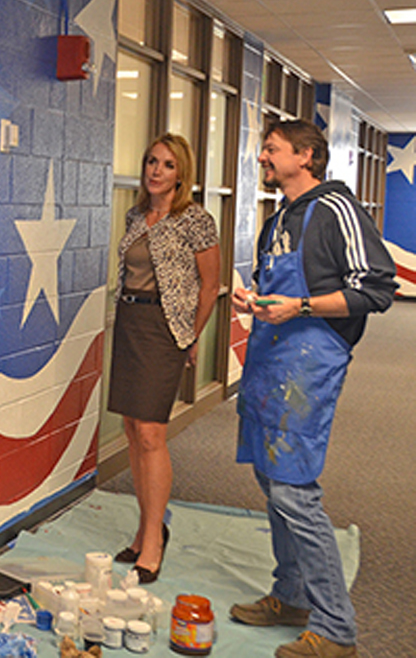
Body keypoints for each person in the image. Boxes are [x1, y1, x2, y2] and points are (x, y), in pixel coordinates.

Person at [230, 119, 396, 658]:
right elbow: (275, 287)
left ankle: (336, 629)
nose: (262, 158)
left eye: (272, 149)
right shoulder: (279, 218)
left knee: (293, 490)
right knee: (270, 477)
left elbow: (374, 287)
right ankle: (292, 595)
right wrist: (254, 299)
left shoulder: (336, 209)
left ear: (305, 155)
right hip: (269, 359)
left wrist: (299, 307)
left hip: (309, 362)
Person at [108, 133, 220, 584]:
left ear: (181, 174)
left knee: (153, 432)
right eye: (152, 161)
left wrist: (191, 335)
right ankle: (142, 529)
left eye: (167, 165)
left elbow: (208, 285)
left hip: (165, 329)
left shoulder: (195, 218)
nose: (157, 170)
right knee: (133, 429)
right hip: (130, 322)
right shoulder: (137, 215)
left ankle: (154, 539)